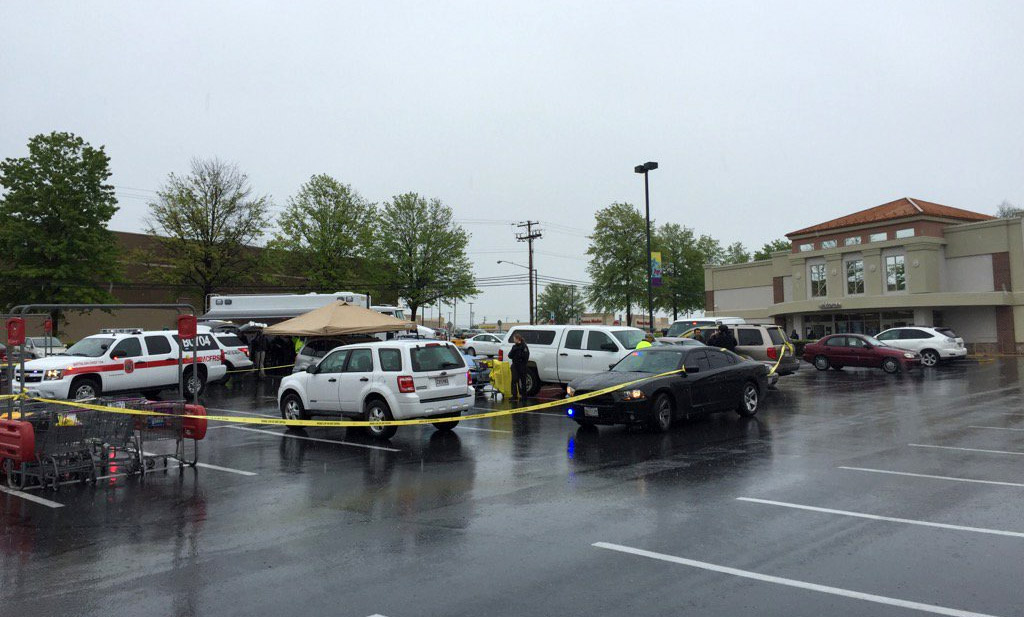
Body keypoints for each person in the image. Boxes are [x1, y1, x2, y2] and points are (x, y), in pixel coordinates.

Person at [508, 333, 530, 400]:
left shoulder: (524, 346)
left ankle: (524, 396)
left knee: (523, 381)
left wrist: (519, 356)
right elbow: (510, 355)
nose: (514, 340)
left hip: (522, 366)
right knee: (514, 381)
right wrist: (514, 351)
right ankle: (514, 395)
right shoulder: (514, 347)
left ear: (518, 339)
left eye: (514, 339)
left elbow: (526, 356)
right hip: (515, 366)